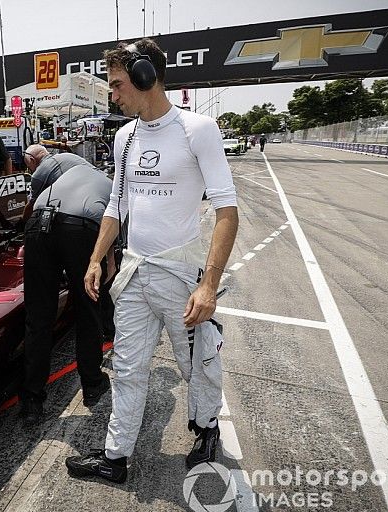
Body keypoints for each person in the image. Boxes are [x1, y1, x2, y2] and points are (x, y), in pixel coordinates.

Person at [65, 38, 238, 483]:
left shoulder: (197, 129)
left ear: (146, 76)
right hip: (134, 273)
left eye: (118, 85)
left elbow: (226, 212)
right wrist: (95, 259)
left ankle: (206, 428)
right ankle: (114, 457)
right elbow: (116, 206)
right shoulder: (125, 136)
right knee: (127, 366)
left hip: (181, 275)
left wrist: (208, 285)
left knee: (196, 362)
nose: (113, 95)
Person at [19, 165, 115, 424]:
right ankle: (93, 384)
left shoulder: (59, 175)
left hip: (39, 224)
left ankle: (31, 402)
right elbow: (113, 238)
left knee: (38, 317)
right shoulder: (112, 186)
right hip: (82, 227)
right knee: (88, 309)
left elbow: (29, 211)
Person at [23, 144, 91, 201]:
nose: (31, 171)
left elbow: (32, 204)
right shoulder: (67, 155)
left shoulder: (39, 173)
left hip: (84, 200)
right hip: (97, 185)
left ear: (32, 160)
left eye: (29, 167)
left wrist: (24, 217)